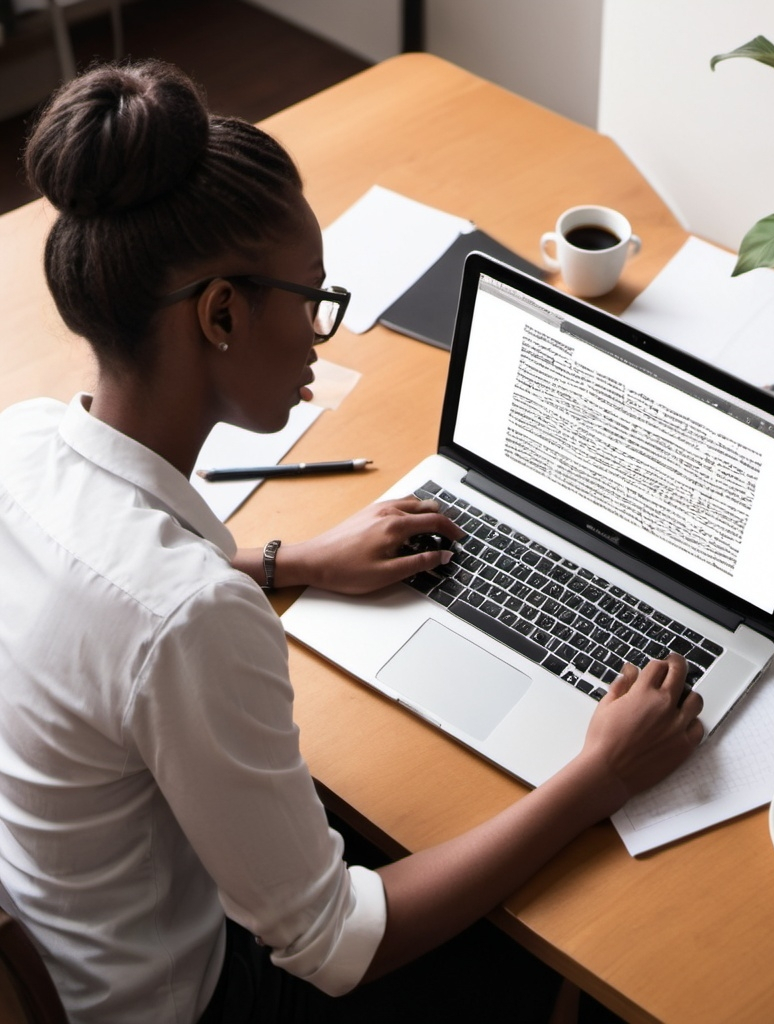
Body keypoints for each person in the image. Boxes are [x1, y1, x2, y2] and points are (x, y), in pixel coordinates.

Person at [0, 60, 704, 1024]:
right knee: (541, 946)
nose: (321, 334)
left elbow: (112, 615)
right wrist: (598, 775)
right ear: (221, 314)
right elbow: (331, 944)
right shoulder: (187, 621)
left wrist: (292, 561)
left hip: (69, 933)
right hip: (186, 1001)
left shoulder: (21, 440)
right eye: (313, 300)